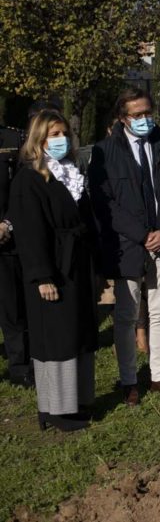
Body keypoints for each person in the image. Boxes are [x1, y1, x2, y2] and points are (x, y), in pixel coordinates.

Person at [89, 88, 160, 406]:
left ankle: (159, 374)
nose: (145, 119)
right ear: (122, 118)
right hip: (127, 245)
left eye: (148, 112)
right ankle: (129, 379)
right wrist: (141, 233)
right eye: (137, 115)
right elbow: (103, 200)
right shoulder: (105, 152)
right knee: (126, 315)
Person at [9, 110, 97, 431]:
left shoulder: (69, 172)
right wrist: (41, 275)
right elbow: (30, 231)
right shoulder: (29, 179)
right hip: (52, 269)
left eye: (64, 134)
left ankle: (76, 401)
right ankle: (55, 410)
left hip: (75, 265)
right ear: (39, 141)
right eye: (53, 135)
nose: (61, 140)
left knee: (77, 333)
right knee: (55, 338)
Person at [0, 122, 31, 388]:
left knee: (13, 307)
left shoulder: (13, 138)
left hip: (6, 238)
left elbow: (22, 190)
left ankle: (19, 365)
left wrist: (7, 224)